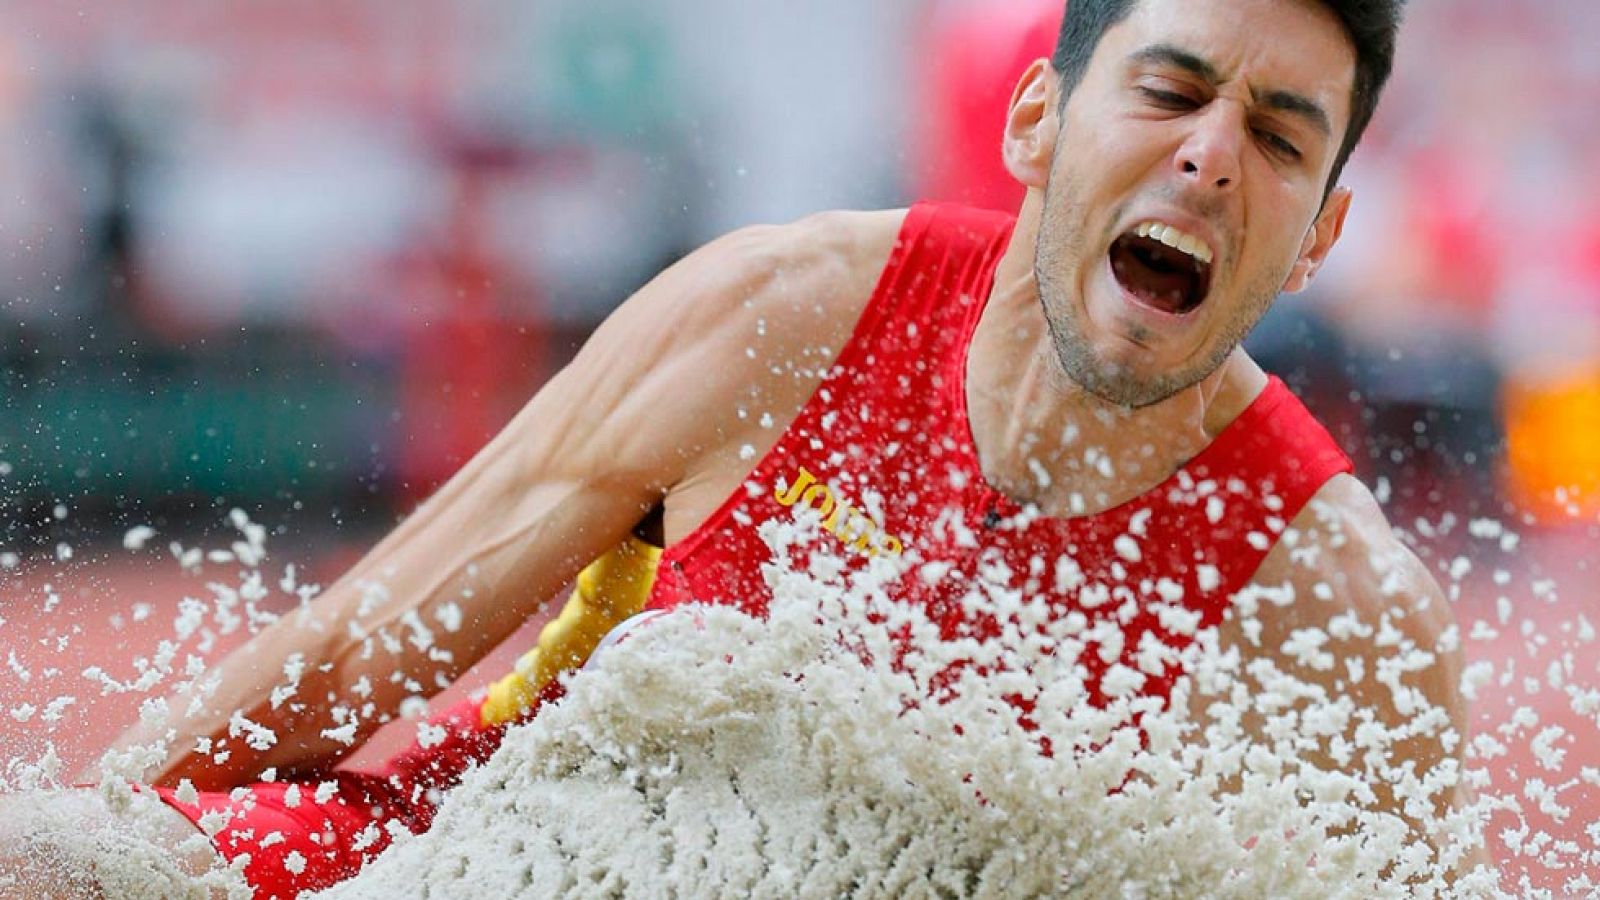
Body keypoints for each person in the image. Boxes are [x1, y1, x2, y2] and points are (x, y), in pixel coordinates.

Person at [1, 0, 1492, 896]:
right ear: (1037, 123)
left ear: (1319, 238)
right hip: (466, 859)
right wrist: (98, 843)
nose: (1212, 155)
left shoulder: (1340, 620)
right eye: (1169, 91)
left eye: (1280, 139)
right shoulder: (782, 315)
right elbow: (341, 667)